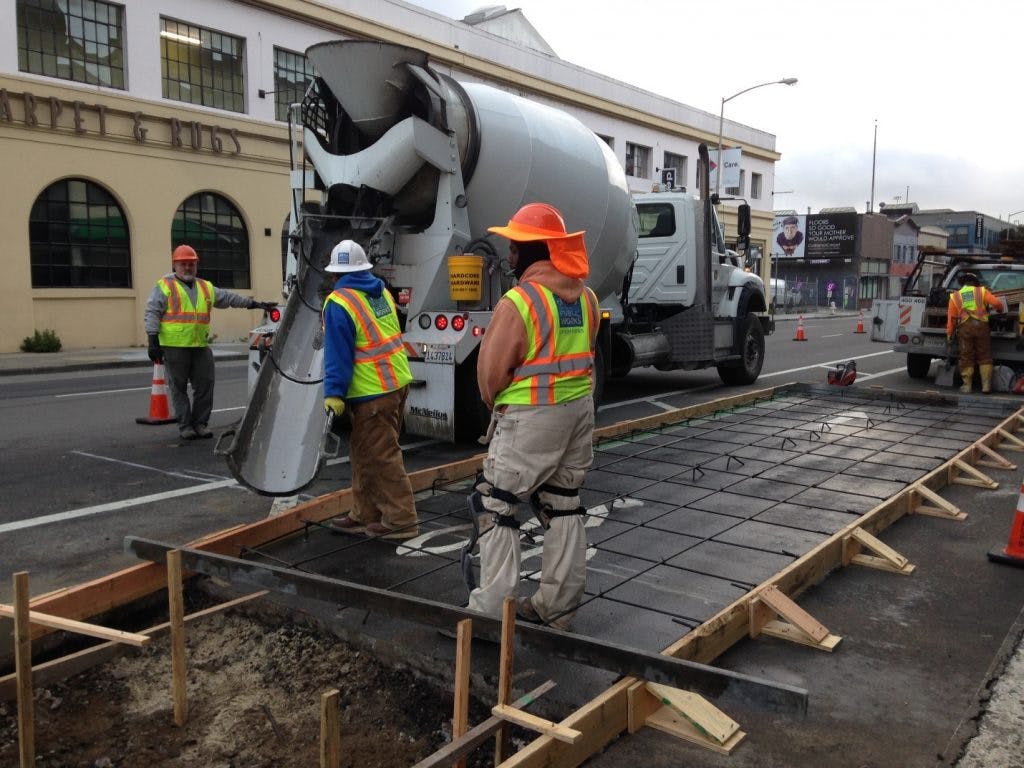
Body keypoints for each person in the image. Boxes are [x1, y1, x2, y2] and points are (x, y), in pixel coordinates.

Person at [466, 202, 599, 631]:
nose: (508, 253)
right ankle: (557, 609)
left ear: (534, 249)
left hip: (532, 416)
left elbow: (490, 375)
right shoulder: (587, 297)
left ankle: (491, 615)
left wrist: (497, 405)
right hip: (579, 412)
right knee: (563, 505)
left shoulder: (520, 300)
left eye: (514, 245)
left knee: (496, 503)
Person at [321, 239, 419, 540]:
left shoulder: (339, 303)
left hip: (373, 392)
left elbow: (338, 354)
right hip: (394, 383)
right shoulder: (380, 293)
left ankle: (402, 520)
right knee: (364, 453)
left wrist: (334, 392)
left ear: (336, 275)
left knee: (381, 456)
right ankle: (364, 512)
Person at [144, 244, 276, 440]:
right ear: (175, 266)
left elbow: (229, 297)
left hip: (199, 346)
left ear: (196, 265)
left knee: (205, 385)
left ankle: (200, 424)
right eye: (183, 264)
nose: (188, 268)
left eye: (192, 264)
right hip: (174, 347)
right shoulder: (164, 286)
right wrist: (152, 339)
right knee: (178, 388)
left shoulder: (205, 287)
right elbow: (152, 312)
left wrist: (254, 304)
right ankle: (186, 426)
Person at [946, 271, 1006, 393]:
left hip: (964, 329)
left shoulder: (955, 296)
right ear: (975, 283)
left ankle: (967, 386)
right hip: (981, 327)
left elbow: (951, 319)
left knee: (966, 356)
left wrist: (949, 335)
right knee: (984, 355)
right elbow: (997, 304)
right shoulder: (982, 291)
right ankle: (986, 386)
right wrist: (1000, 310)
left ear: (963, 284)